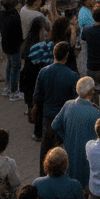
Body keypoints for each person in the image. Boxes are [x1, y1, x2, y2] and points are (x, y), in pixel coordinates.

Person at [35, 41, 80, 174]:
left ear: (54, 54)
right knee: (66, 150)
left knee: (46, 149)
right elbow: (75, 100)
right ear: (66, 56)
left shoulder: (43, 72)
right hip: (64, 119)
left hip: (48, 116)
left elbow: (37, 96)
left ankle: (43, 175)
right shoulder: (72, 76)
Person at [56, 75, 100, 185]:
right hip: (86, 154)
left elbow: (56, 125)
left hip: (70, 147)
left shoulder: (68, 104)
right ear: (91, 92)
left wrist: (66, 137)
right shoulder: (95, 113)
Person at [0, 0, 24, 101]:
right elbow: (19, 32)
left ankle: (7, 86)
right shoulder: (15, 17)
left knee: (9, 65)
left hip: (6, 44)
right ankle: (13, 91)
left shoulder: (1, 14)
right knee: (15, 67)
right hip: (15, 46)